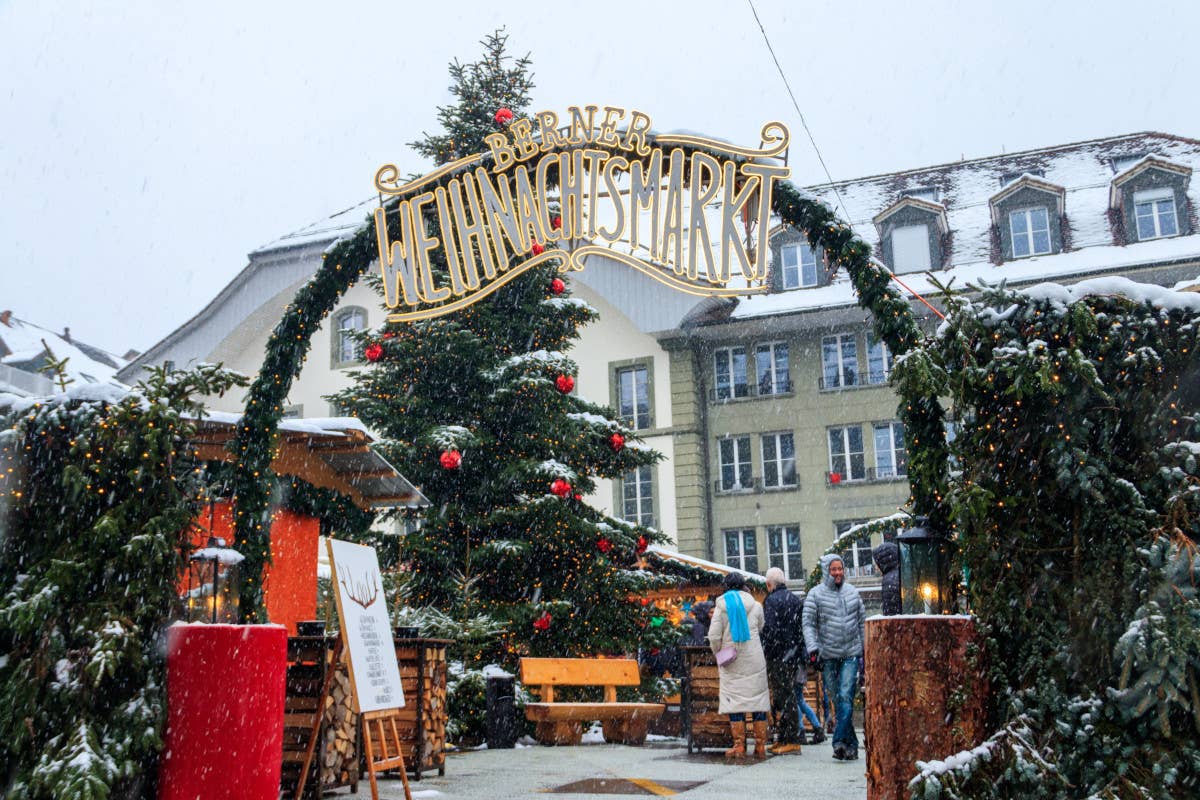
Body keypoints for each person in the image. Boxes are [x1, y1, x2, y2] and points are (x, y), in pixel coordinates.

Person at [802, 554, 865, 761]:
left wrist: (866, 649)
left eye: (840, 569)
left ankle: (838, 740)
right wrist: (813, 648)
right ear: (826, 571)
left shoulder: (853, 592)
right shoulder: (815, 594)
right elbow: (808, 624)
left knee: (846, 696)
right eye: (833, 569)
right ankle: (852, 746)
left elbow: (861, 623)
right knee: (837, 699)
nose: (837, 573)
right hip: (828, 654)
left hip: (850, 653)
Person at [708, 571, 771, 759]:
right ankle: (760, 745)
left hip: (732, 659)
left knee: (735, 702)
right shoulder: (757, 606)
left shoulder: (721, 607)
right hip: (754, 658)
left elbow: (713, 636)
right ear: (743, 585)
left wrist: (719, 652)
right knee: (757, 700)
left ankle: (739, 746)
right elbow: (760, 628)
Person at [760, 567, 804, 754]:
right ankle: (785, 738)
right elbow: (800, 628)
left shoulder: (771, 601)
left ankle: (790, 739)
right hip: (792, 654)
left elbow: (769, 629)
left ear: (769, 584)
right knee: (789, 695)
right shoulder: (795, 599)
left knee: (784, 697)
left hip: (778, 656)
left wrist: (767, 649)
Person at [872, 540, 901, 616]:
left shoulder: (889, 580)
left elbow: (891, 612)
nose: (876, 567)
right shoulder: (899, 574)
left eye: (877, 563)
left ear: (883, 561)